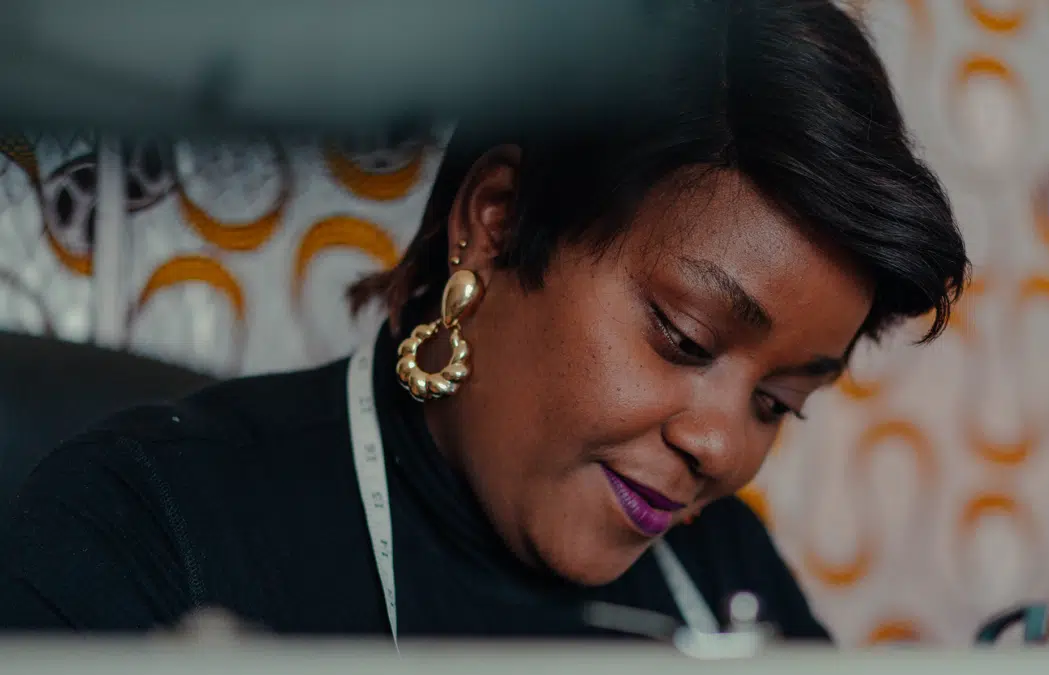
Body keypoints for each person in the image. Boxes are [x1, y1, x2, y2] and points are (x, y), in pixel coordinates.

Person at [0, 0, 968, 642]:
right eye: (682, 337)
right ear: (497, 219)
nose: (720, 444)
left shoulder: (721, 573)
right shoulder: (144, 523)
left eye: (778, 401)